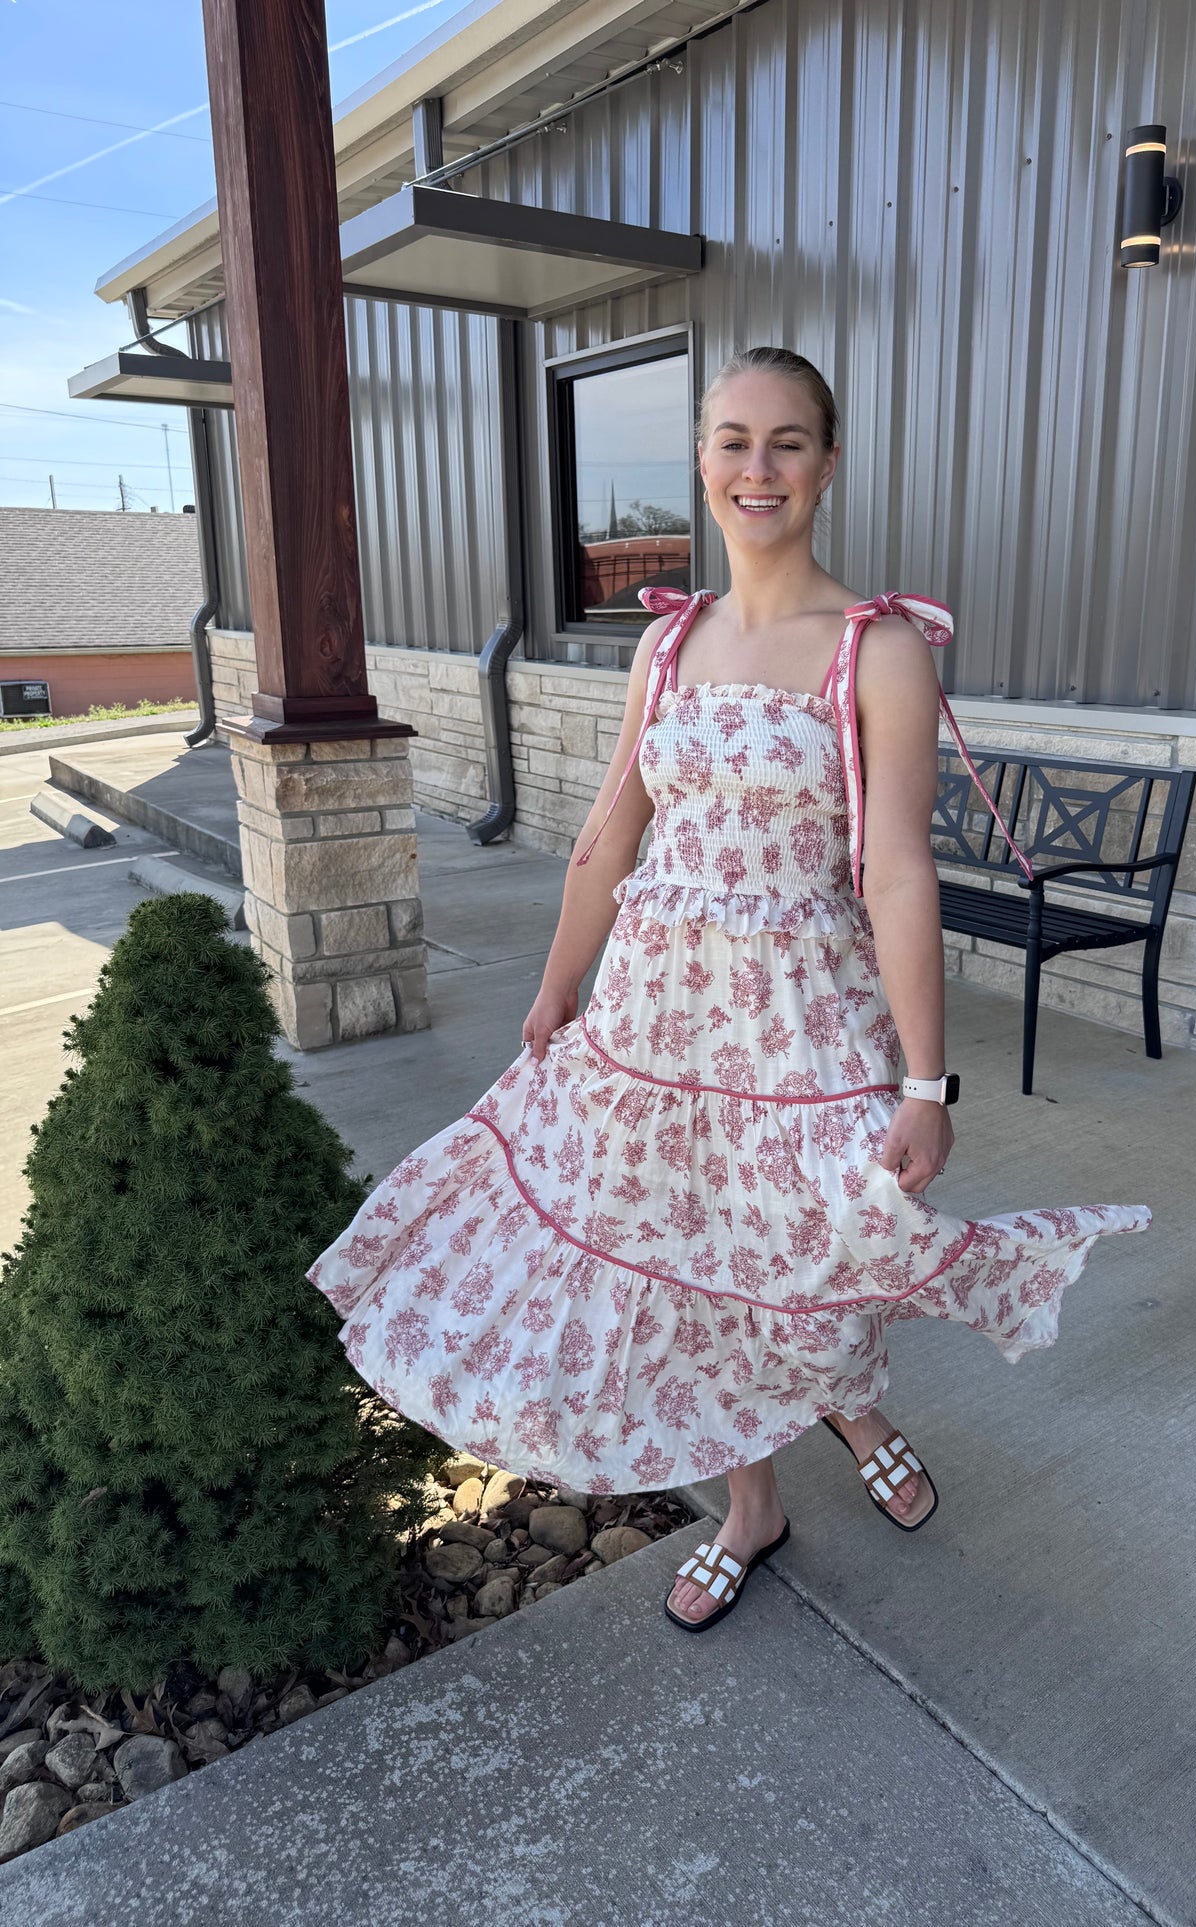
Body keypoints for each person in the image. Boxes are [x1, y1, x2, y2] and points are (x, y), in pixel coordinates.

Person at [308, 346, 1150, 1633]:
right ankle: (751, 1504)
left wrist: (926, 1081)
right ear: (700, 461)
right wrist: (555, 991)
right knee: (680, 1261)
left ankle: (850, 1402)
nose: (757, 468)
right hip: (652, 1018)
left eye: (787, 442)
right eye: (731, 441)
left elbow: (900, 875)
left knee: (818, 1238)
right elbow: (607, 834)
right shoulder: (667, 641)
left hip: (800, 1014)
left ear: (827, 462)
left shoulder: (875, 650)